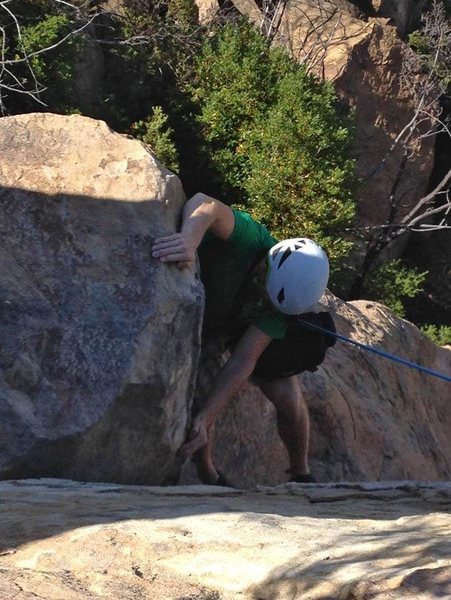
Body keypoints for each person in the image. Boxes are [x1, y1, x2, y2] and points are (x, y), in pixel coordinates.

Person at [152, 192, 332, 486]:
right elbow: (204, 203)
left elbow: (244, 359)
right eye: (263, 283)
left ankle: (301, 472)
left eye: (267, 294)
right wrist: (189, 238)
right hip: (205, 319)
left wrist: (209, 415)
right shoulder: (253, 240)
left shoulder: (280, 304)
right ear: (271, 263)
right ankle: (208, 472)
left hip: (232, 324)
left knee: (286, 393)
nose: (262, 293)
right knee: (201, 390)